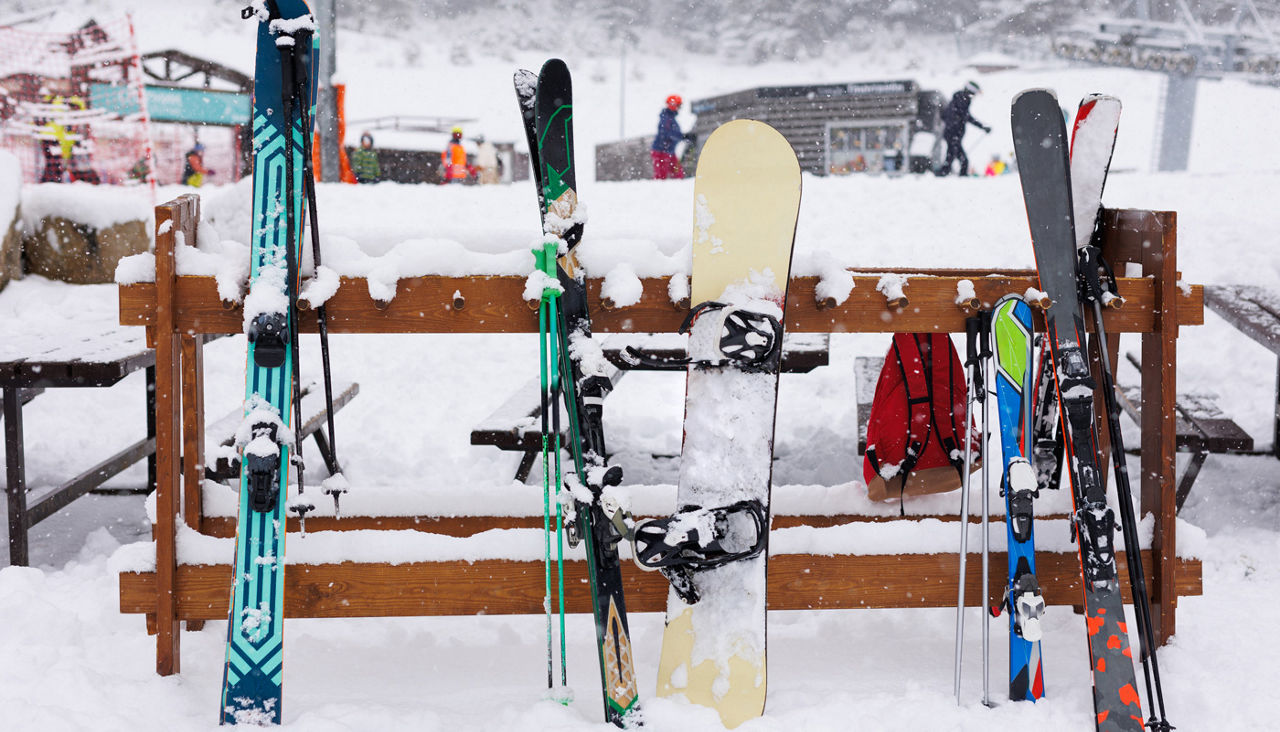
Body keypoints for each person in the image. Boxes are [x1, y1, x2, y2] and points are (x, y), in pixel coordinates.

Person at [936, 81, 991, 177]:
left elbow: (947, 115)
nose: (974, 96)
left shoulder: (958, 99)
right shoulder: (962, 100)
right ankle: (953, 174)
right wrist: (982, 126)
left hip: (952, 134)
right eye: (974, 93)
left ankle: (946, 173)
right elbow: (966, 116)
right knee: (959, 159)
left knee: (952, 156)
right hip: (953, 134)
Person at [651, 94, 692, 180]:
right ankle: (658, 188)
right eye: (678, 106)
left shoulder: (671, 118)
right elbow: (666, 133)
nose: (679, 108)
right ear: (672, 105)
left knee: (678, 173)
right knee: (661, 176)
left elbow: (672, 133)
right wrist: (682, 136)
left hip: (670, 151)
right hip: (661, 151)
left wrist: (683, 136)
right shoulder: (666, 118)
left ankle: (678, 187)